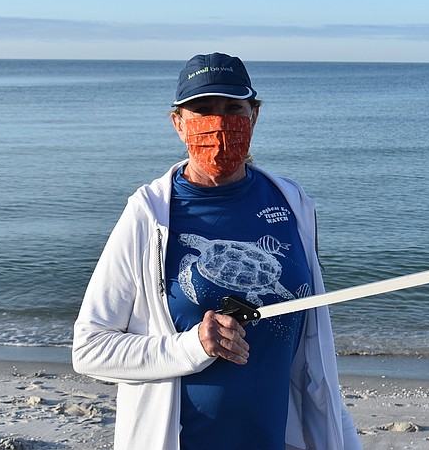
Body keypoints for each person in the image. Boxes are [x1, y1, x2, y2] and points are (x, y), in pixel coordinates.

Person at [73, 52, 362, 450]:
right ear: (178, 123)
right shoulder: (149, 214)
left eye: (232, 108)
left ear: (254, 115)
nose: (220, 123)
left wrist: (344, 440)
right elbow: (90, 349)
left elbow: (315, 356)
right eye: (204, 109)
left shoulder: (292, 202)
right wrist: (193, 345)